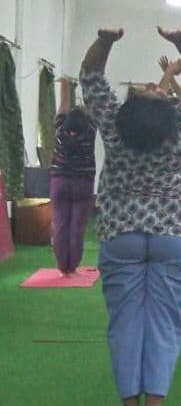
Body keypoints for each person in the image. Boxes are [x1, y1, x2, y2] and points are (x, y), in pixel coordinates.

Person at [80, 26, 181, 406]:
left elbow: (91, 78)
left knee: (124, 324)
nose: (152, 85)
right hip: (174, 239)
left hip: (121, 236)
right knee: (164, 324)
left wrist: (105, 42)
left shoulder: (115, 128)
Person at [49, 76, 97, 277]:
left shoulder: (60, 132)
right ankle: (73, 267)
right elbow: (91, 108)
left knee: (61, 222)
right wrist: (86, 86)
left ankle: (62, 268)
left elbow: (62, 108)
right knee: (77, 226)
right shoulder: (90, 132)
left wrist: (65, 87)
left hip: (59, 181)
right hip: (83, 184)